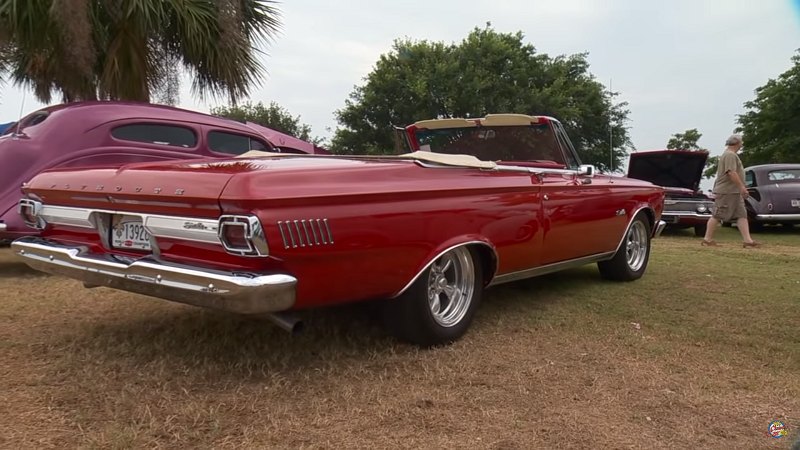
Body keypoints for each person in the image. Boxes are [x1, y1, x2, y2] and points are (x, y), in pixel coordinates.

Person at [701, 134, 760, 247]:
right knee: (718, 214)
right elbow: (731, 172)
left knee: (742, 215)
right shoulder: (729, 155)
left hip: (735, 192)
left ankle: (748, 241)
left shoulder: (732, 155)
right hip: (726, 191)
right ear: (737, 143)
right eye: (741, 142)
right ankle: (707, 239)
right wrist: (742, 187)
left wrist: (740, 188)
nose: (742, 144)